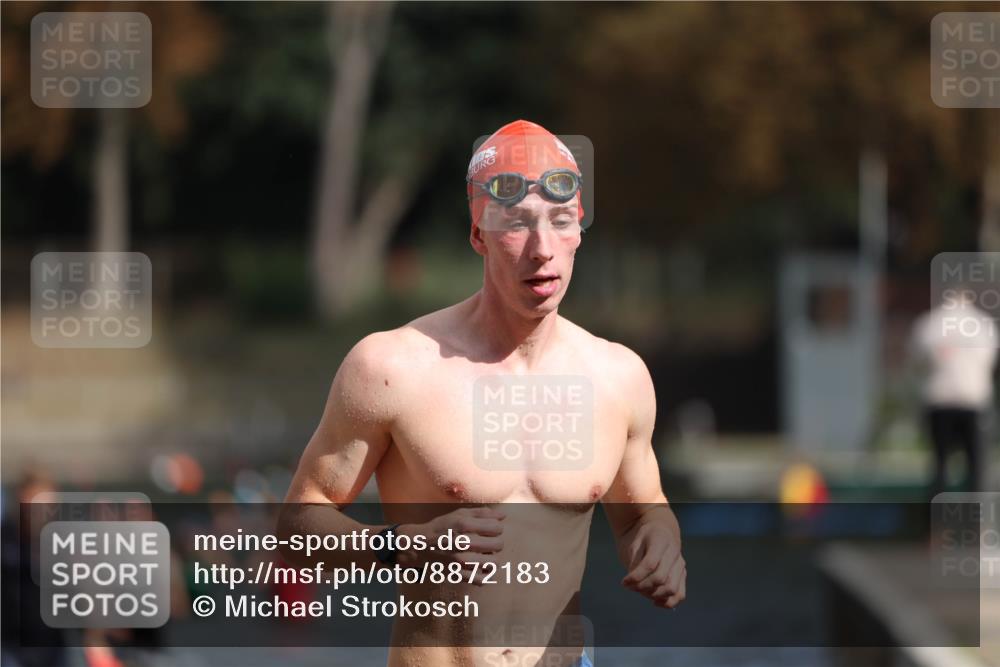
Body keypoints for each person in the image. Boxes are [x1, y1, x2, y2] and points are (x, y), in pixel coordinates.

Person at [280, 120, 685, 667]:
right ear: (478, 236)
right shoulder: (391, 367)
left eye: (560, 222)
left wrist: (661, 546)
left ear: (579, 231)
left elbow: (642, 516)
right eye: (516, 225)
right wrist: (402, 547)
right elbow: (296, 529)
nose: (541, 250)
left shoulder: (618, 376)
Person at [910, 286, 998, 497]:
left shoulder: (930, 324)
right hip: (973, 401)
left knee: (940, 465)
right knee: (976, 468)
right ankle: (976, 524)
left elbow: (917, 362)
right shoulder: (982, 324)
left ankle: (936, 525)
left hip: (939, 401)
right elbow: (990, 362)